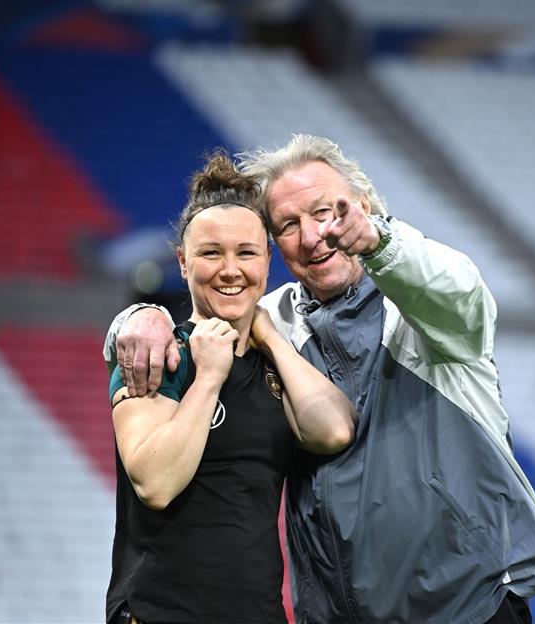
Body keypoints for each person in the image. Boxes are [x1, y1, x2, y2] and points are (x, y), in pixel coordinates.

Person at [105, 135, 535, 624]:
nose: (313, 236)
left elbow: (458, 290)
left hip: (465, 609)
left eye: (324, 213)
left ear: (364, 208)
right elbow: (205, 307)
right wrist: (138, 318)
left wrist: (382, 241)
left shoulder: (423, 313)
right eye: (289, 225)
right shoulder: (273, 320)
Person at [105, 152, 356, 624]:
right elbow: (155, 484)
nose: (229, 270)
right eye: (210, 253)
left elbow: (335, 430)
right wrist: (211, 376)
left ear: (266, 260)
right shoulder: (154, 352)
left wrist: (270, 340)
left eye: (245, 252)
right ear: (182, 262)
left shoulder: (276, 362)